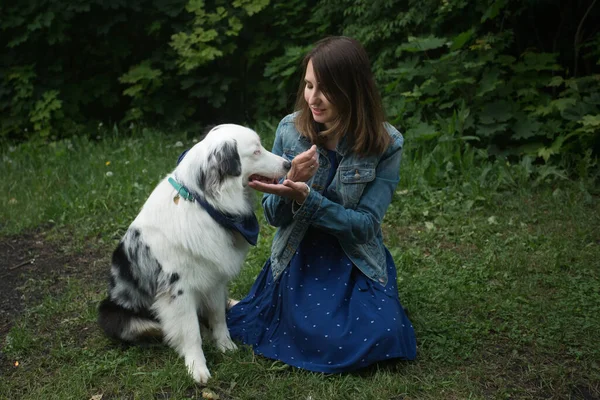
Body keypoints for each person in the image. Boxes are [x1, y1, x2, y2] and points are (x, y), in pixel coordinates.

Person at [226, 36, 417, 373]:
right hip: (299, 251)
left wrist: (307, 197)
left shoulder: (387, 143)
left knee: (385, 334)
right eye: (309, 85)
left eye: (325, 89)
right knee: (314, 330)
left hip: (353, 256)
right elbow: (272, 215)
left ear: (352, 90)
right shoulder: (290, 130)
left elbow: (365, 227)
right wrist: (289, 181)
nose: (313, 99)